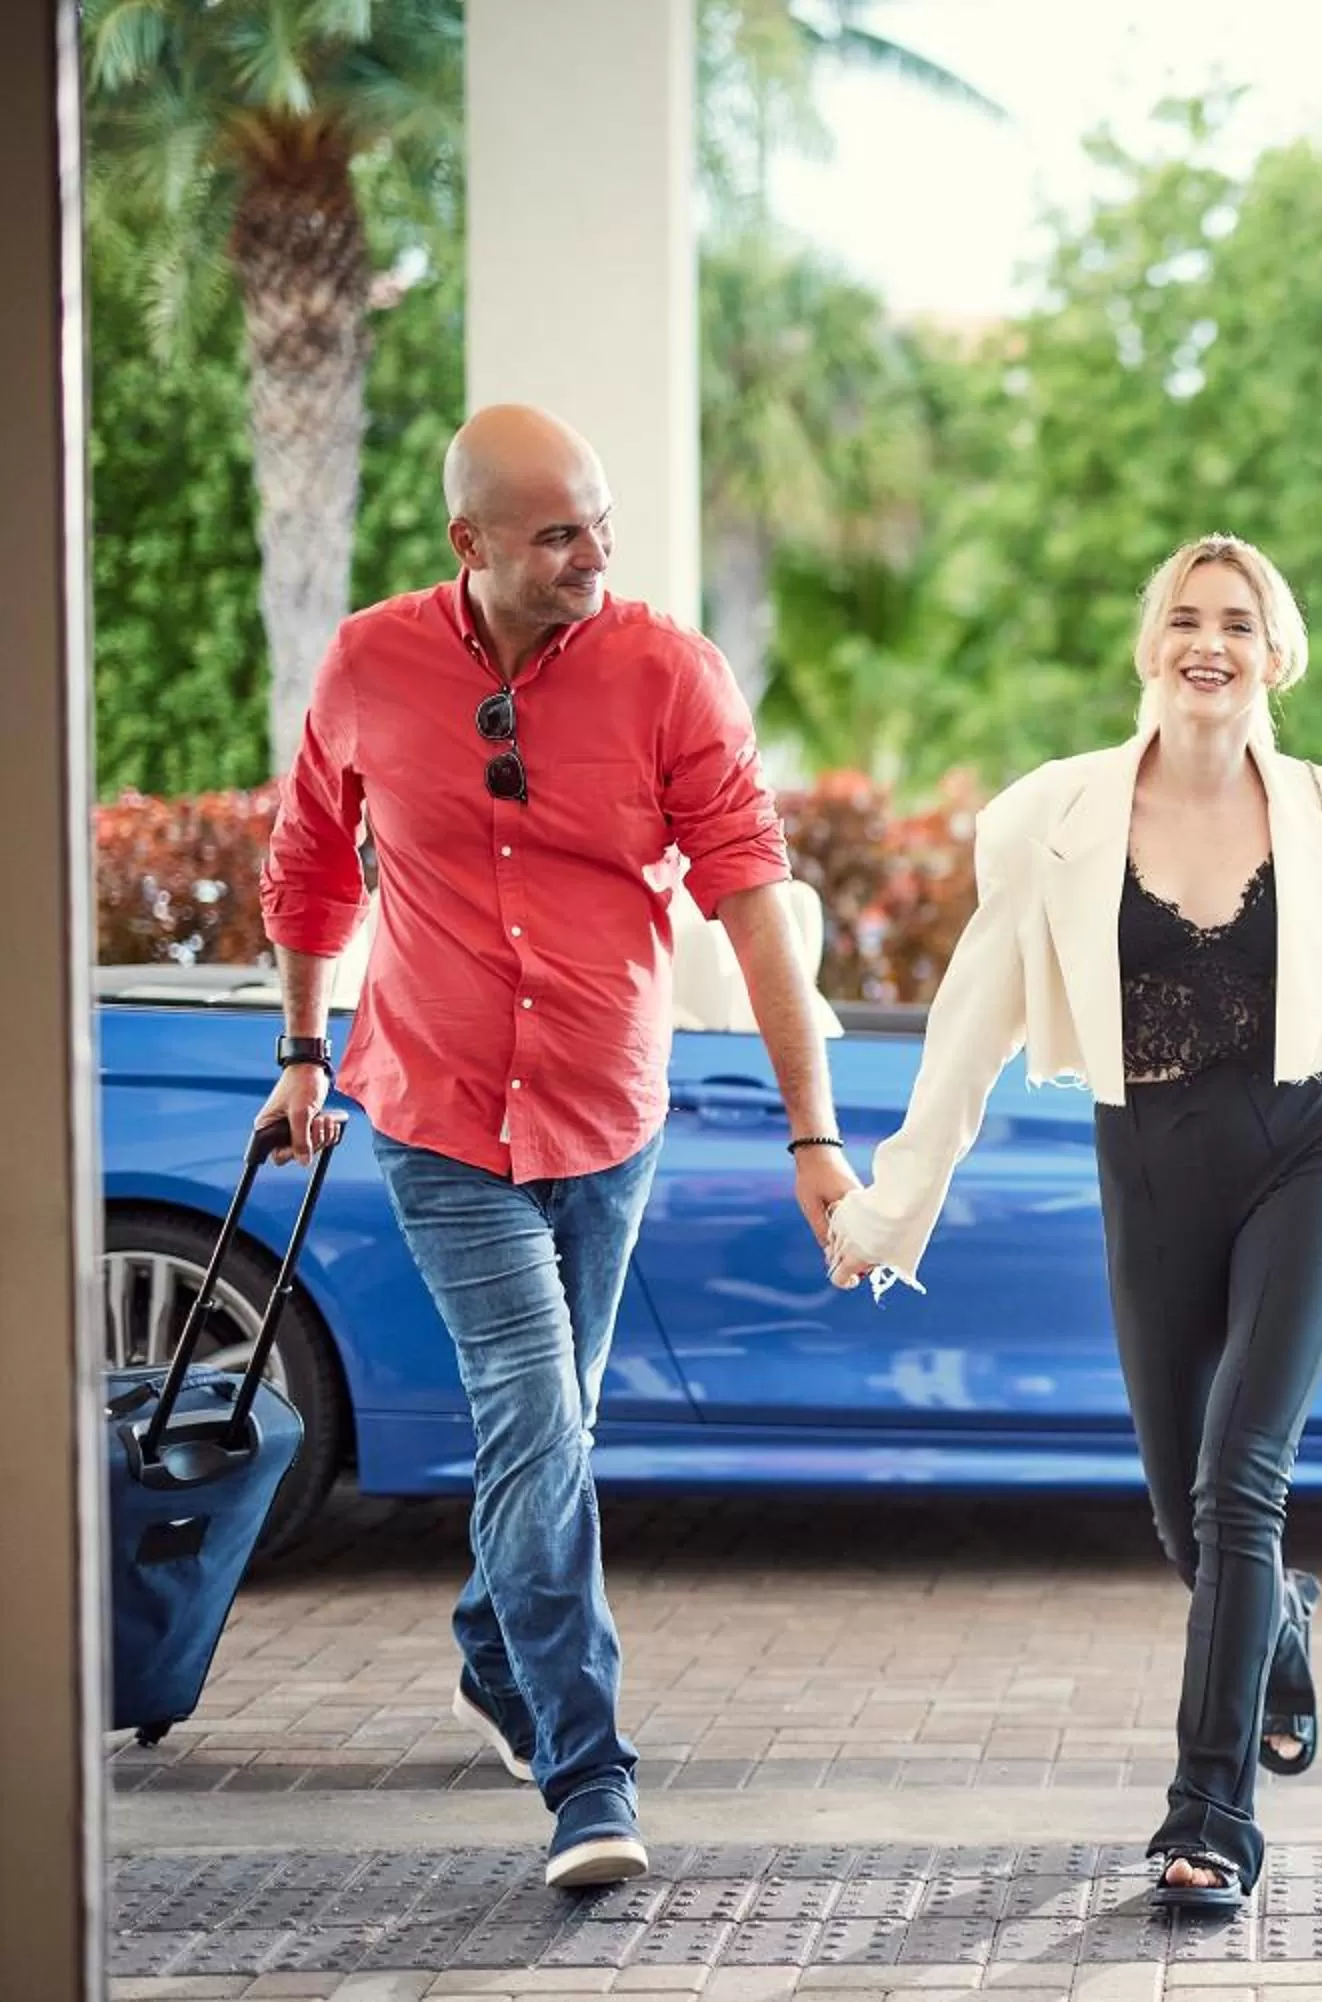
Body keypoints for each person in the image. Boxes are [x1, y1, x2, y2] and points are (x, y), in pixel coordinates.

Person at [255, 405, 860, 1890]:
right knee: (534, 1412)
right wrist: (303, 1053)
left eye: (600, 524)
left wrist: (816, 1134)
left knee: (555, 1426)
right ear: (467, 541)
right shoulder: (371, 665)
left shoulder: (671, 674)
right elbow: (313, 861)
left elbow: (754, 908)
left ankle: (489, 1644)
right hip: (437, 1113)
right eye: (557, 535)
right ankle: (589, 1775)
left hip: (605, 1118)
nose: (594, 554)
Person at [824, 533, 1322, 1913]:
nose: (1208, 643)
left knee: (1241, 1481)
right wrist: (894, 1198)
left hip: (1305, 1158)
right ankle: (1280, 1620)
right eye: (1185, 617)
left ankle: (1210, 1814)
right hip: (1149, 1166)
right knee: (1185, 1517)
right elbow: (972, 1019)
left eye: (1238, 622)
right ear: (1150, 643)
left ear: (1277, 656)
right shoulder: (1053, 817)